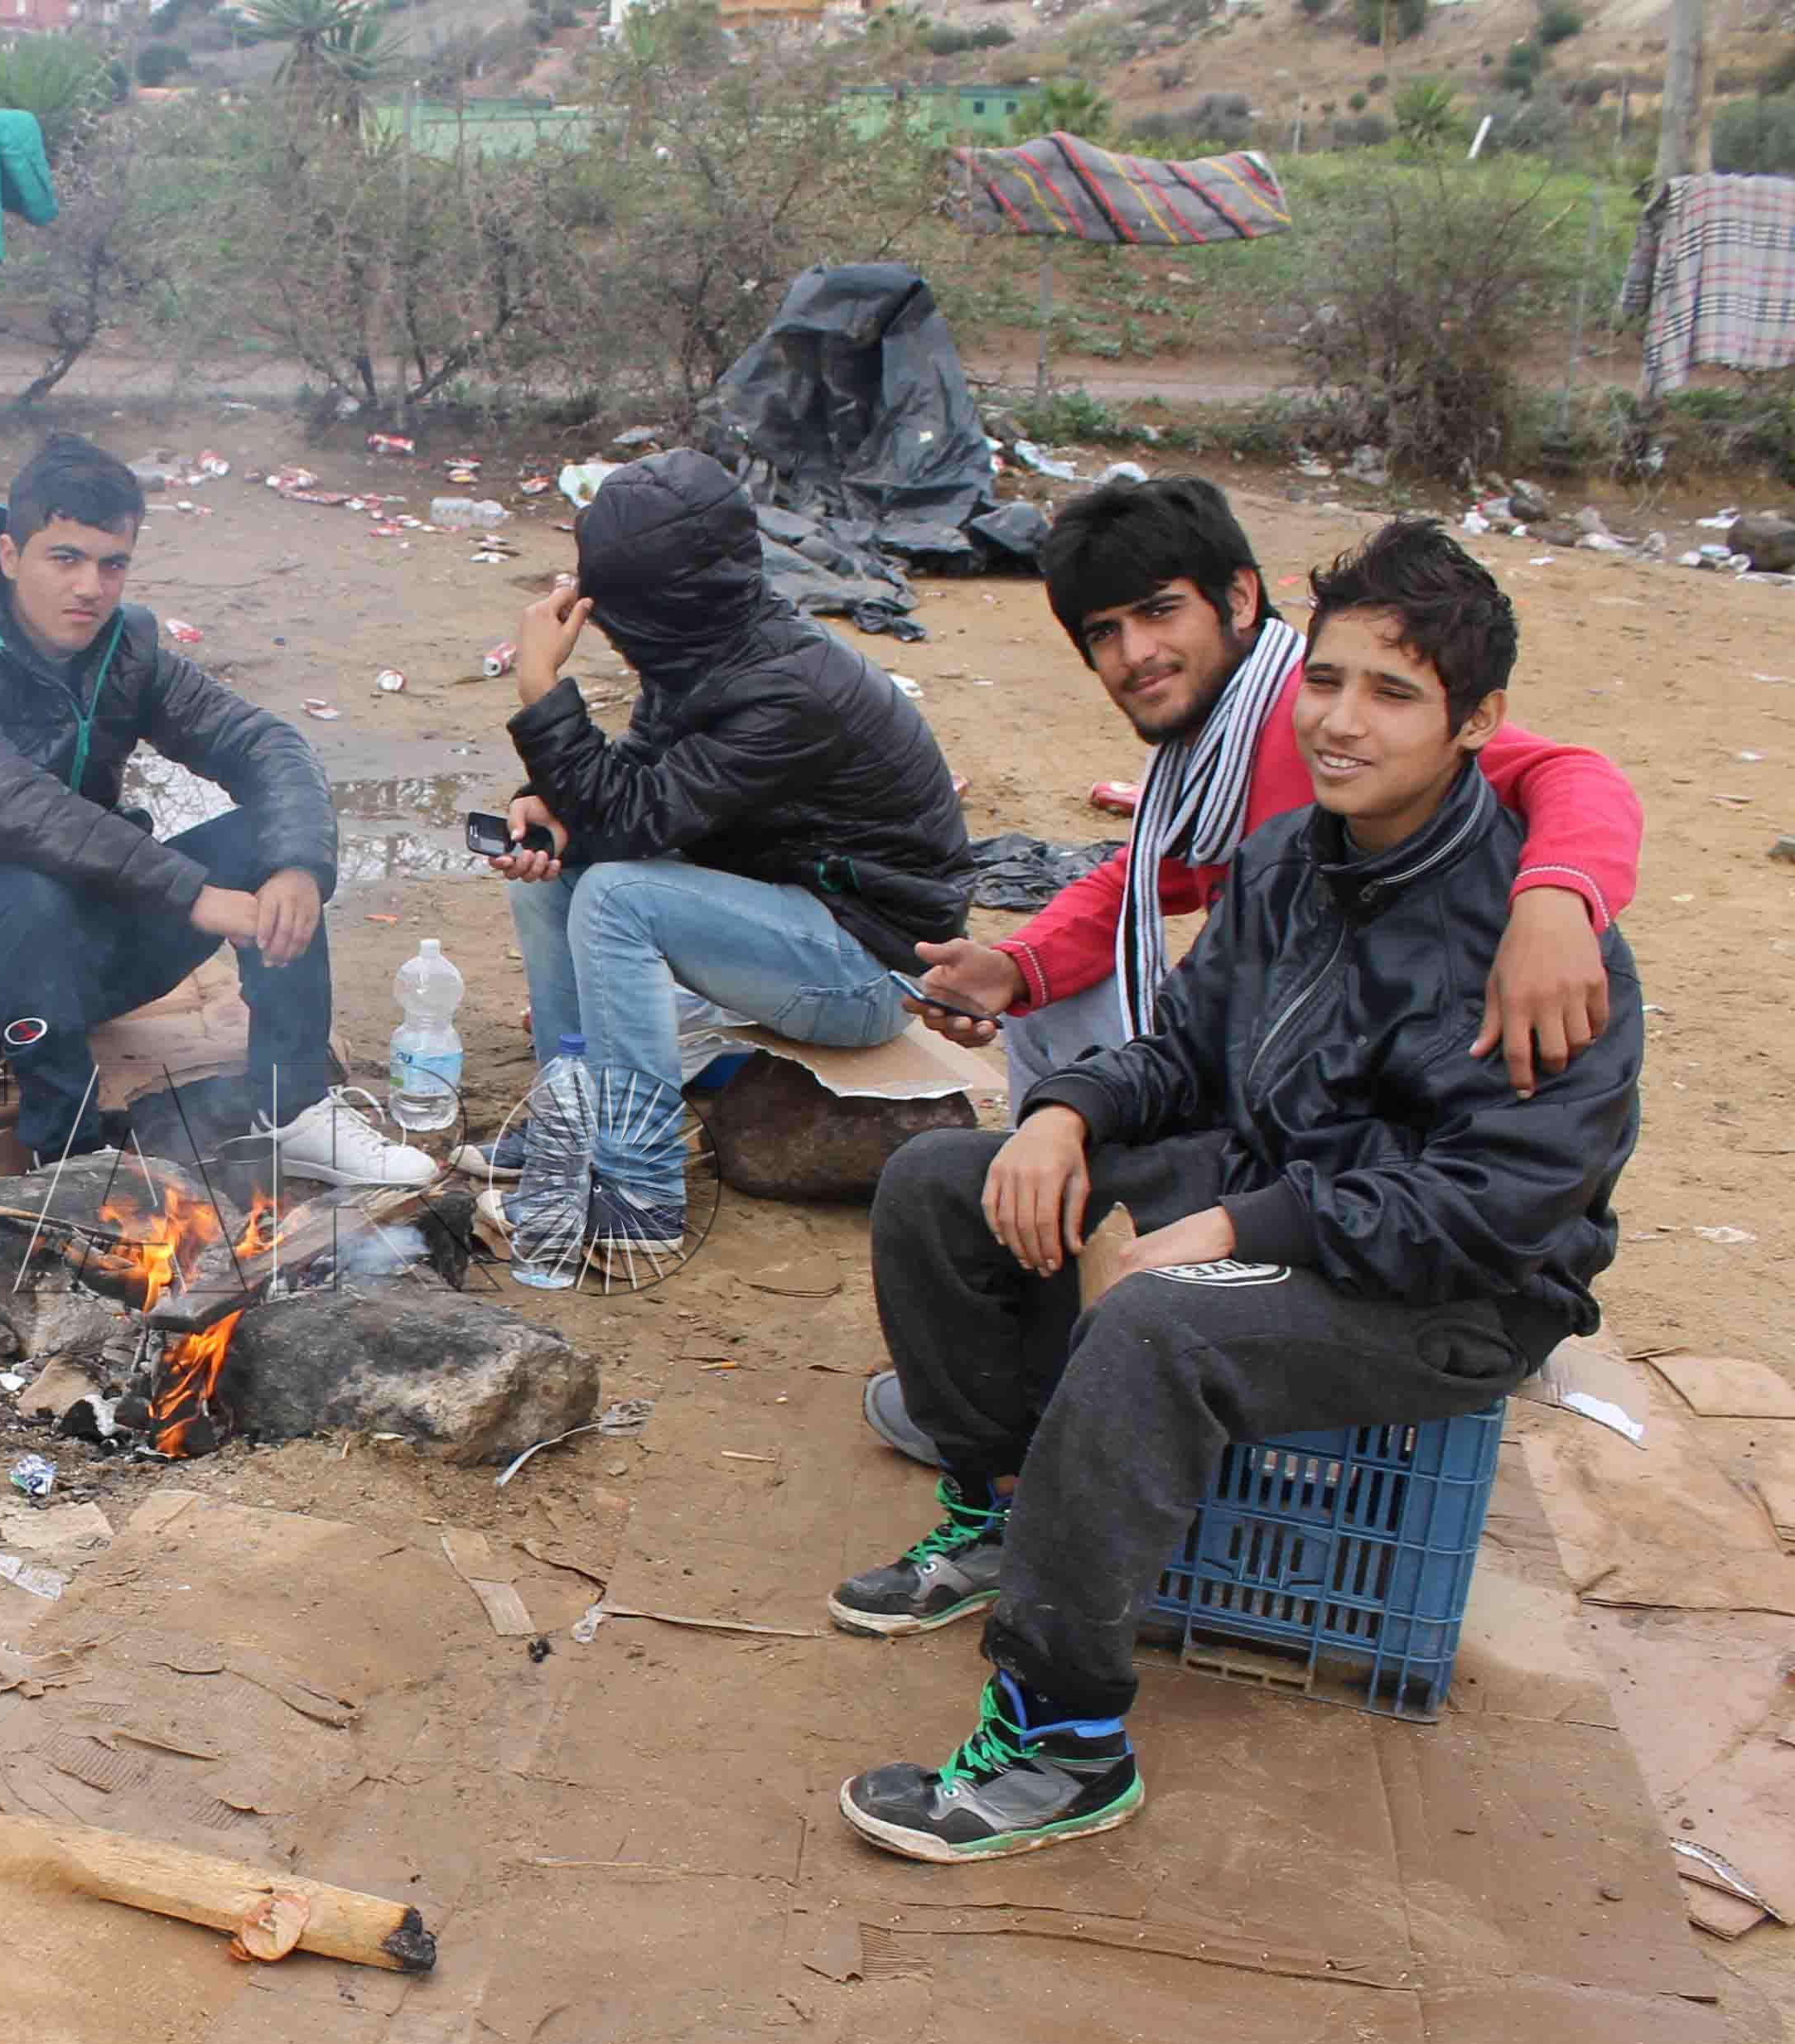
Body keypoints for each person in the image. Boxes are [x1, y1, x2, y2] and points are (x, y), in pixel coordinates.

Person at [831, 522, 1642, 1862]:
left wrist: (1230, 1227)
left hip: (1460, 1287)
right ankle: (995, 1508)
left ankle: (1061, 1738)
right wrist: (1063, 1110)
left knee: (1160, 1323)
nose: (1338, 720)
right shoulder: (1285, 863)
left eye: (1391, 692)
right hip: (1288, 1181)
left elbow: (1497, 1204)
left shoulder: (1539, 936)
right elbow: (1184, 1053)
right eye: (1323, 681)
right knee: (937, 1182)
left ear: (1475, 721)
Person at [872, 476, 1640, 1463]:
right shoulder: (1235, 762)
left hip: (1382, 1197)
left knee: (1153, 1301)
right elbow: (1162, 879)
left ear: (1239, 601)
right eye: (1103, 632)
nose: (1136, 654)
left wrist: (1557, 893)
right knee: (991, 1138)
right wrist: (1020, 971)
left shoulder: (1329, 721)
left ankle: (1090, 1379)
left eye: (1158, 613)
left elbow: (1569, 772)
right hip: (1282, 1130)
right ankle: (1016, 1418)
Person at [0, 433, 431, 1187]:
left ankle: (293, 1111)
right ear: (8, 555)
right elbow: (14, 810)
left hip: (81, 956)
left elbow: (265, 743)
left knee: (269, 838)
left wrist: (296, 865)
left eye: (112, 563)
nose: (91, 588)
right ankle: (71, 1160)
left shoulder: (126, 649)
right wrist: (193, 895)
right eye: (65, 558)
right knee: (28, 888)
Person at [483, 448, 970, 1262]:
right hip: (790, 913)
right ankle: (569, 1128)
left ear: (656, 606)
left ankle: (639, 1192)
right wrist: (555, 806)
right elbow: (640, 789)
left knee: (614, 897)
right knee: (557, 868)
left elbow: (637, 817)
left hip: (872, 964)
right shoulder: (710, 650)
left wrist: (542, 689)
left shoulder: (788, 689)